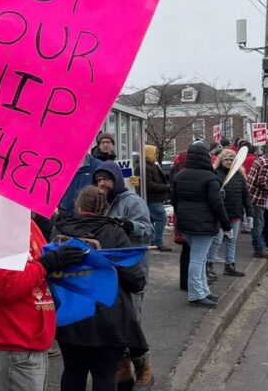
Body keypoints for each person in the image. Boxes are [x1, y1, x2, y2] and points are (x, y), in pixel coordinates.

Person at [0, 186, 86, 391]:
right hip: (11, 345)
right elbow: (2, 287)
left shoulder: (24, 222)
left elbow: (38, 268)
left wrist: (60, 262)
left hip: (28, 344)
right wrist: (46, 264)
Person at [51, 186, 147, 391]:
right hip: (108, 314)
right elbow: (135, 279)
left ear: (78, 205)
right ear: (105, 209)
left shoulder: (59, 231)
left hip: (69, 313)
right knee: (104, 374)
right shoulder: (114, 232)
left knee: (73, 371)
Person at [90, 160, 153, 384]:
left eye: (106, 179)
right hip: (108, 273)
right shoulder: (98, 203)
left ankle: (144, 366)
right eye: (98, 180)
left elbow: (148, 231)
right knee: (113, 323)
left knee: (132, 321)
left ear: (116, 180)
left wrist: (128, 225)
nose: (102, 183)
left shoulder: (132, 201)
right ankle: (123, 367)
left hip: (132, 271)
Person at [172, 144, 230, 308]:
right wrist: (226, 225)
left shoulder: (180, 175)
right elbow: (217, 204)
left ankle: (203, 291)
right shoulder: (210, 178)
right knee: (198, 259)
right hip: (204, 225)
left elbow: (174, 201)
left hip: (186, 223)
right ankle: (196, 294)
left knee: (199, 258)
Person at [210, 148, 250, 277]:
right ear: (221, 160)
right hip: (221, 215)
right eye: (226, 159)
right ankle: (209, 264)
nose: (228, 162)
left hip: (236, 213)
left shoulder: (239, 175)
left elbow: (246, 196)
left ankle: (230, 264)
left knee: (231, 240)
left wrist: (250, 213)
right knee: (217, 240)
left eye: (231, 160)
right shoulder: (215, 174)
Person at [143, 145, 172, 252]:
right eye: (154, 153)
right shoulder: (147, 167)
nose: (156, 155)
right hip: (153, 199)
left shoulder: (151, 166)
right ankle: (157, 242)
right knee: (162, 218)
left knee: (151, 220)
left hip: (154, 199)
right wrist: (166, 187)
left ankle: (151, 241)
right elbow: (149, 185)